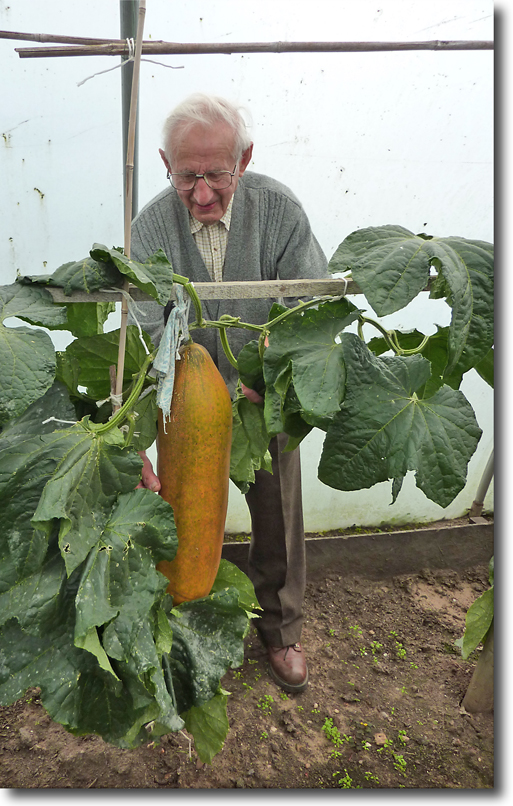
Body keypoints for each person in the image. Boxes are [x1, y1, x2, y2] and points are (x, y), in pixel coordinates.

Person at [131, 93, 328, 693]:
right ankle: (189, 616)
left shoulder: (280, 211)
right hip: (184, 411)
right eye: (186, 175)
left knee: (277, 513)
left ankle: (281, 627)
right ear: (165, 162)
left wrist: (268, 372)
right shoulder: (148, 229)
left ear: (244, 158)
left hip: (261, 401)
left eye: (216, 173)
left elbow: (312, 304)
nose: (202, 192)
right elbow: (144, 330)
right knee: (187, 517)